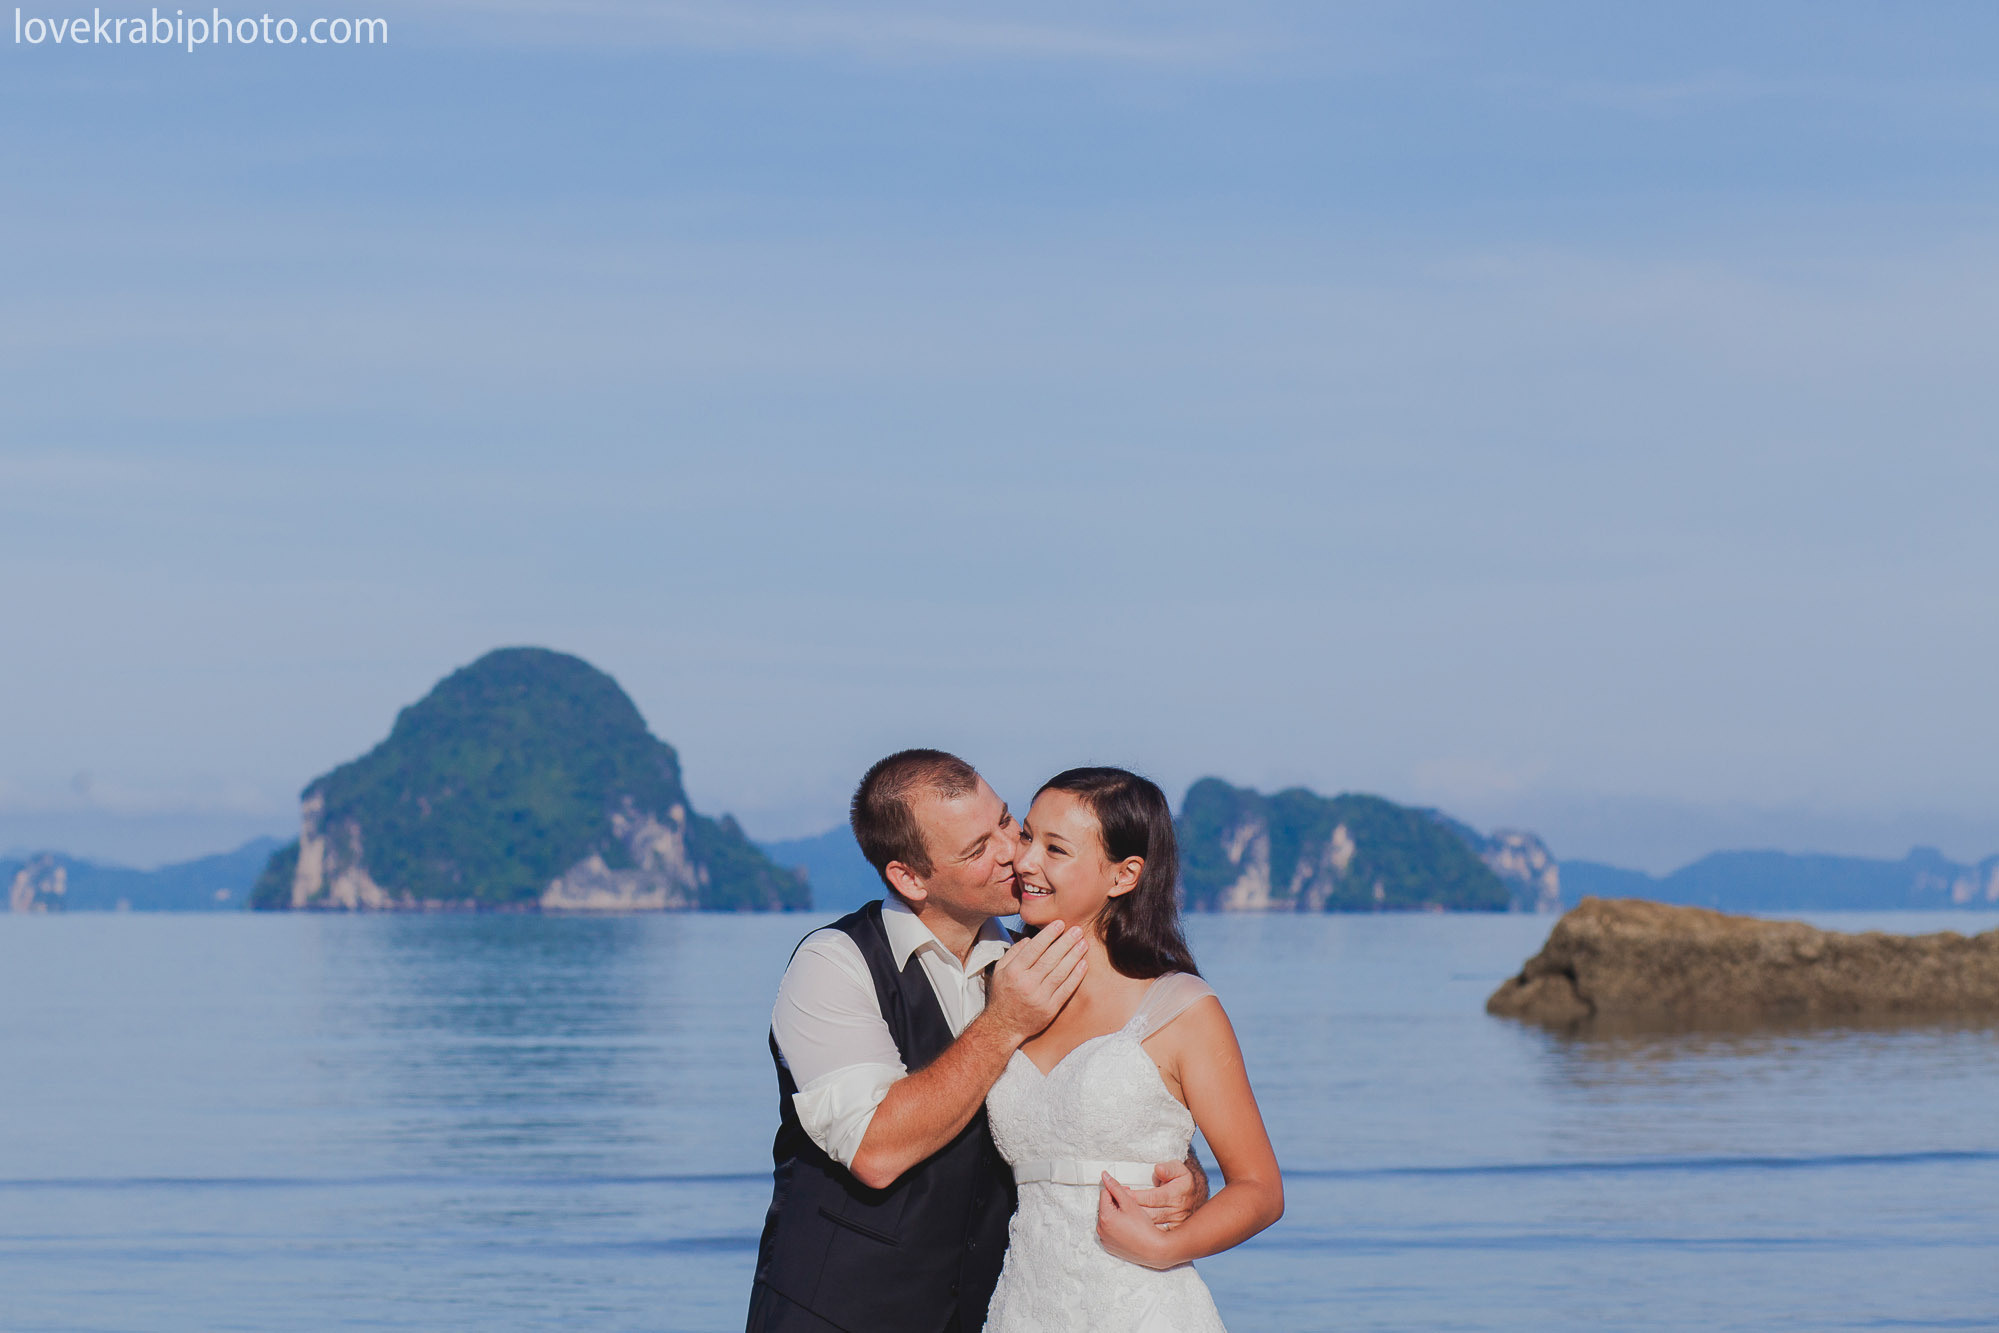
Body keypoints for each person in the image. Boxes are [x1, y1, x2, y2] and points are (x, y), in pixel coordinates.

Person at [747, 750, 1208, 1333]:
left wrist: (1177, 1176)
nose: (1014, 854)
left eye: (1005, 823)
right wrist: (1003, 1023)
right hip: (834, 1316)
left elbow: (1106, 1103)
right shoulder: (832, 965)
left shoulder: (1041, 959)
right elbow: (875, 1150)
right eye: (976, 849)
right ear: (909, 877)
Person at [982, 767, 1283, 1333]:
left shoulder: (1182, 1009)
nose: (1024, 861)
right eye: (1027, 836)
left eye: (1056, 848)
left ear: (1124, 875)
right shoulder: (1000, 987)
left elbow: (1261, 1190)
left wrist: (1168, 1248)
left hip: (1142, 1306)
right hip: (1024, 1305)